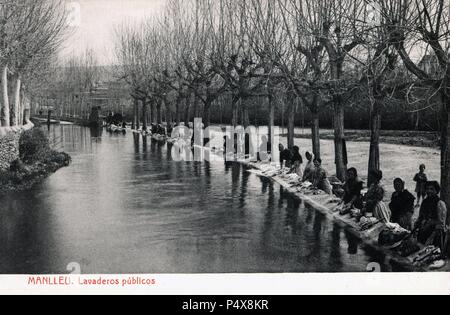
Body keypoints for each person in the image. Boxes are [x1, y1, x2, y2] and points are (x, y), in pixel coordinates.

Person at [414, 181, 448, 255]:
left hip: (435, 236)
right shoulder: (424, 202)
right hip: (423, 233)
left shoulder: (440, 204)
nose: (429, 191)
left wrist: (431, 238)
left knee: (431, 255)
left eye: (432, 189)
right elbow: (420, 217)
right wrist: (415, 228)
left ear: (436, 191)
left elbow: (441, 224)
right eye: (427, 189)